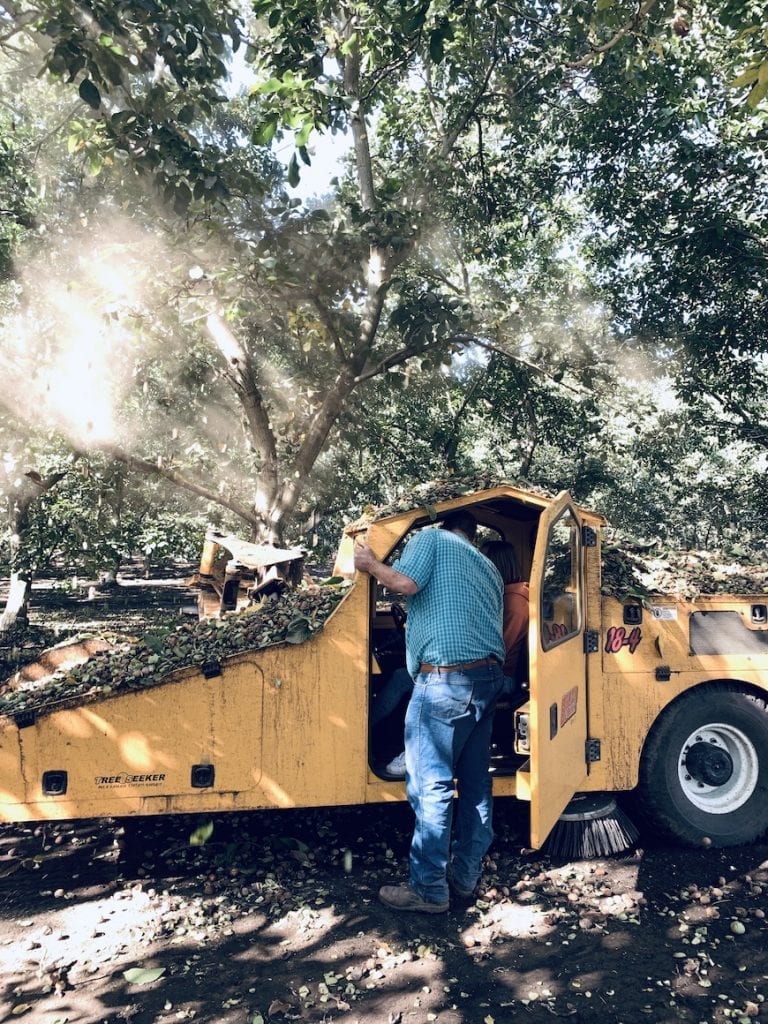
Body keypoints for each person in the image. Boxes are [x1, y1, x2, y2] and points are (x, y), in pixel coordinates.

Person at [354, 509, 505, 914]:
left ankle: (428, 890)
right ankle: (465, 876)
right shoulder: (487, 566)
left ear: (441, 525)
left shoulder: (431, 541)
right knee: (476, 785)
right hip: (487, 680)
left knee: (431, 785)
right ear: (472, 534)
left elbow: (405, 583)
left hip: (445, 683)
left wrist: (370, 564)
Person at [480, 540, 530, 693]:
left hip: (502, 676)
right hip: (489, 670)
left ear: (494, 566)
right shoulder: (501, 596)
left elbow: (500, 651)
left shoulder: (515, 602)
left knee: (404, 679)